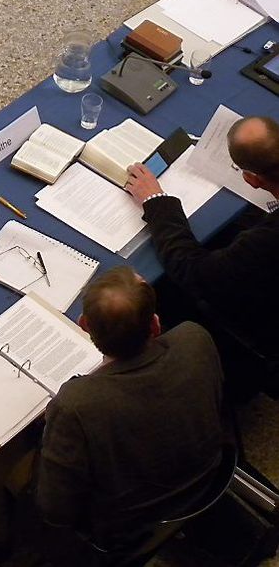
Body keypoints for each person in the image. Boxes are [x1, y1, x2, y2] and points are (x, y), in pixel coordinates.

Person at [36, 266, 225, 550]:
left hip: (128, 526)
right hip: (209, 475)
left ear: (84, 325)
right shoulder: (193, 338)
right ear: (155, 325)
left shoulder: (76, 405)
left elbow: (56, 510)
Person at [124, 115, 279, 358]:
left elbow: (196, 273)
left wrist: (155, 202)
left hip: (264, 328)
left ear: (251, 179)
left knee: (167, 295)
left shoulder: (263, 243)